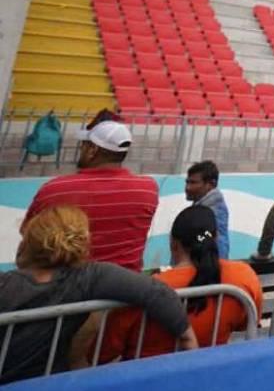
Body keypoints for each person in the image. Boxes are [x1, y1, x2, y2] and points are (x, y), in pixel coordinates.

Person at [0, 207, 196, 383]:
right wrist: (189, 342)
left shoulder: (6, 283)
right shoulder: (88, 277)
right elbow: (157, 293)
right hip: (50, 381)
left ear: (29, 243)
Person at [96, 206, 262, 362]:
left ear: (173, 244)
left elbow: (101, 353)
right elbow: (246, 323)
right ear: (216, 237)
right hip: (208, 375)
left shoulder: (144, 290)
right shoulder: (243, 276)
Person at [21, 114, 158, 271]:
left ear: (92, 150)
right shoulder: (148, 189)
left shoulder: (55, 189)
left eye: (84, 145)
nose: (81, 149)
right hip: (125, 285)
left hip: (66, 284)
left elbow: (29, 233)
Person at [185, 161, 230, 259]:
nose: (187, 187)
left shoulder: (213, 212)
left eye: (193, 182)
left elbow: (216, 241)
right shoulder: (201, 207)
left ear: (211, 184)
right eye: (187, 182)